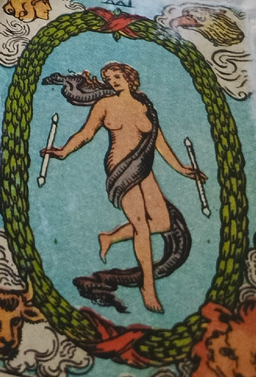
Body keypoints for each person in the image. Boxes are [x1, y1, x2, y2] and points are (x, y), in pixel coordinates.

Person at [41, 61, 206, 314]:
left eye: (117, 76)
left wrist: (182, 169)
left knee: (163, 222)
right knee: (141, 225)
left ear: (129, 77)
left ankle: (110, 237)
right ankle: (148, 287)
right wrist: (64, 151)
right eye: (109, 79)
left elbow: (159, 142)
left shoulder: (145, 106)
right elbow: (86, 133)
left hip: (143, 166)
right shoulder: (105, 104)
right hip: (119, 167)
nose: (113, 82)